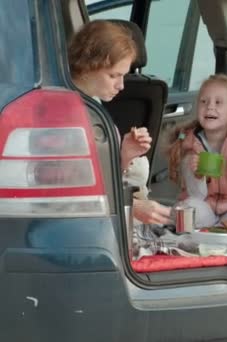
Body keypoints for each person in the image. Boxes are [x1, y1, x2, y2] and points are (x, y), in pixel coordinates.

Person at [68, 20, 171, 225]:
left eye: (123, 75)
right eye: (113, 75)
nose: (121, 85)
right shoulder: (68, 115)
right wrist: (131, 206)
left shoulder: (94, 107)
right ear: (87, 66)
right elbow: (74, 192)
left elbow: (105, 177)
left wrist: (124, 155)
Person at [166, 74, 227, 232]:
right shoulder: (190, 144)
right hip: (204, 209)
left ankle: (216, 229)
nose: (210, 107)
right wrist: (198, 175)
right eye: (204, 102)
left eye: (218, 102)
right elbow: (196, 196)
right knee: (190, 208)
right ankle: (218, 230)